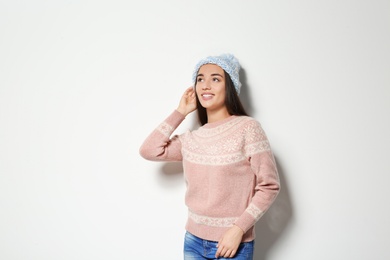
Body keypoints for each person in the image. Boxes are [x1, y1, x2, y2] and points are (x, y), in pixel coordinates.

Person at [139, 54, 280, 259]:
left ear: (229, 86)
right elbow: (149, 150)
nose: (205, 85)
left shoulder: (247, 128)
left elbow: (269, 185)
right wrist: (180, 111)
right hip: (193, 240)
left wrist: (238, 229)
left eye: (215, 79)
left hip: (233, 243)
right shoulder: (192, 139)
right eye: (200, 79)